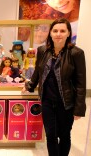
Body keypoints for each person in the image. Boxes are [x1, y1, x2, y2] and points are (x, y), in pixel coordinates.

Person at [22, 18, 86, 156]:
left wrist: (79, 109)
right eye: (55, 30)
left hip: (66, 103)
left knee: (64, 135)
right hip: (47, 102)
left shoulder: (76, 53)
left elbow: (81, 83)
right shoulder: (42, 50)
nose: (58, 34)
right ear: (50, 33)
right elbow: (38, 72)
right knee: (50, 135)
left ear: (68, 33)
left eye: (62, 31)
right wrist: (30, 86)